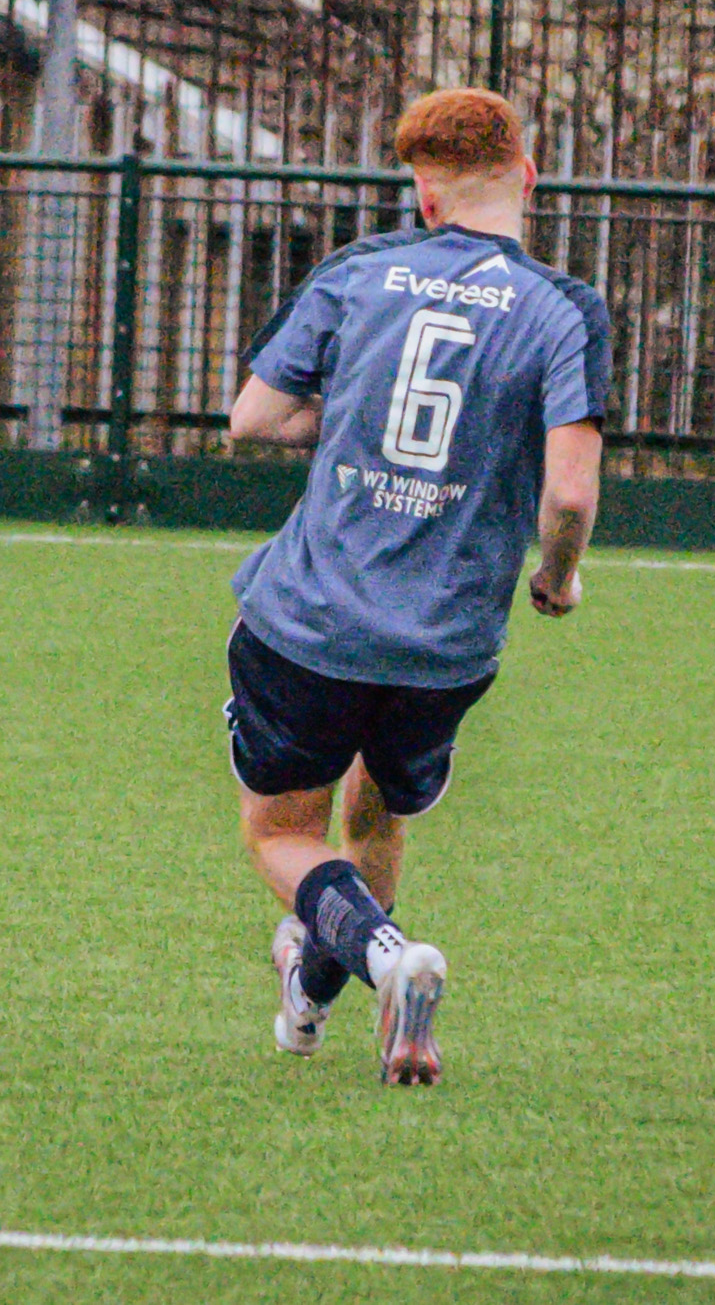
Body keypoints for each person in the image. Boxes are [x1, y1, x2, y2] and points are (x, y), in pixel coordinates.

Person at [224, 87, 610, 1087]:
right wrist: (557, 578)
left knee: (282, 831)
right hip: (446, 643)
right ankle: (329, 997)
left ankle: (388, 955)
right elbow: (568, 493)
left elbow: (252, 419)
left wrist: (339, 423)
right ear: (526, 178)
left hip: (310, 619)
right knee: (377, 815)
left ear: (424, 198)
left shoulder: (359, 270)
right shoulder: (563, 308)